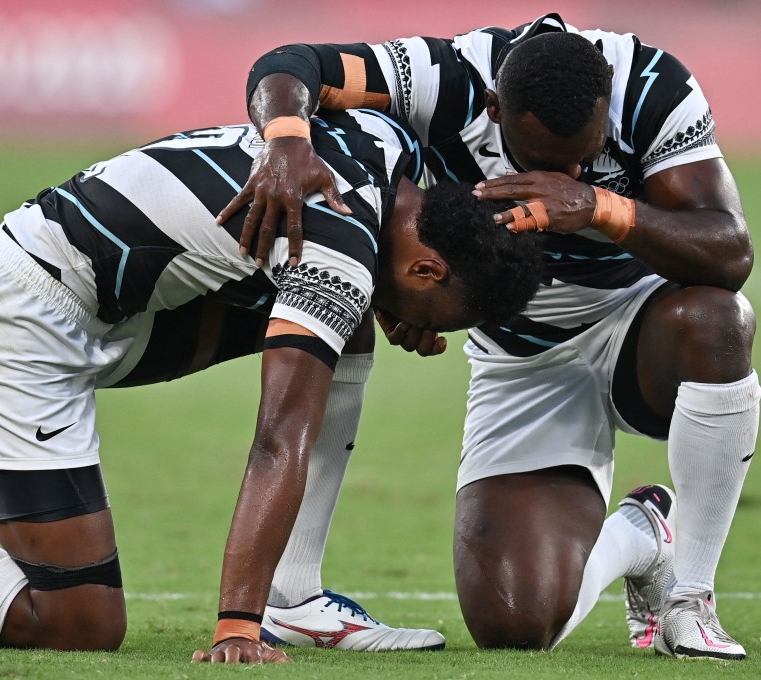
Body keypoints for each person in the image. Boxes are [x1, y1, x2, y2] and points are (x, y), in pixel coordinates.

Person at [0, 109, 544, 663]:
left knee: (344, 319)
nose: (427, 334)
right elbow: (278, 437)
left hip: (106, 304)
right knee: (77, 623)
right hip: (12, 323)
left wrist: (382, 296)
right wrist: (233, 623)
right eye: (439, 313)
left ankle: (294, 598)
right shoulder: (337, 249)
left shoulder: (382, 145)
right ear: (427, 264)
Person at [224, 13, 759, 661]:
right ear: (495, 110)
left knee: (718, 316)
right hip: (520, 356)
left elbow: (729, 253)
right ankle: (644, 534)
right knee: (514, 627)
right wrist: (286, 143)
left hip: (640, 324)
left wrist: (600, 206)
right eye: (546, 162)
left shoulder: (649, 86)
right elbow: (289, 64)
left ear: (604, 105)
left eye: (585, 157)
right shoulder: (445, 78)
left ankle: (690, 600)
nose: (569, 173)